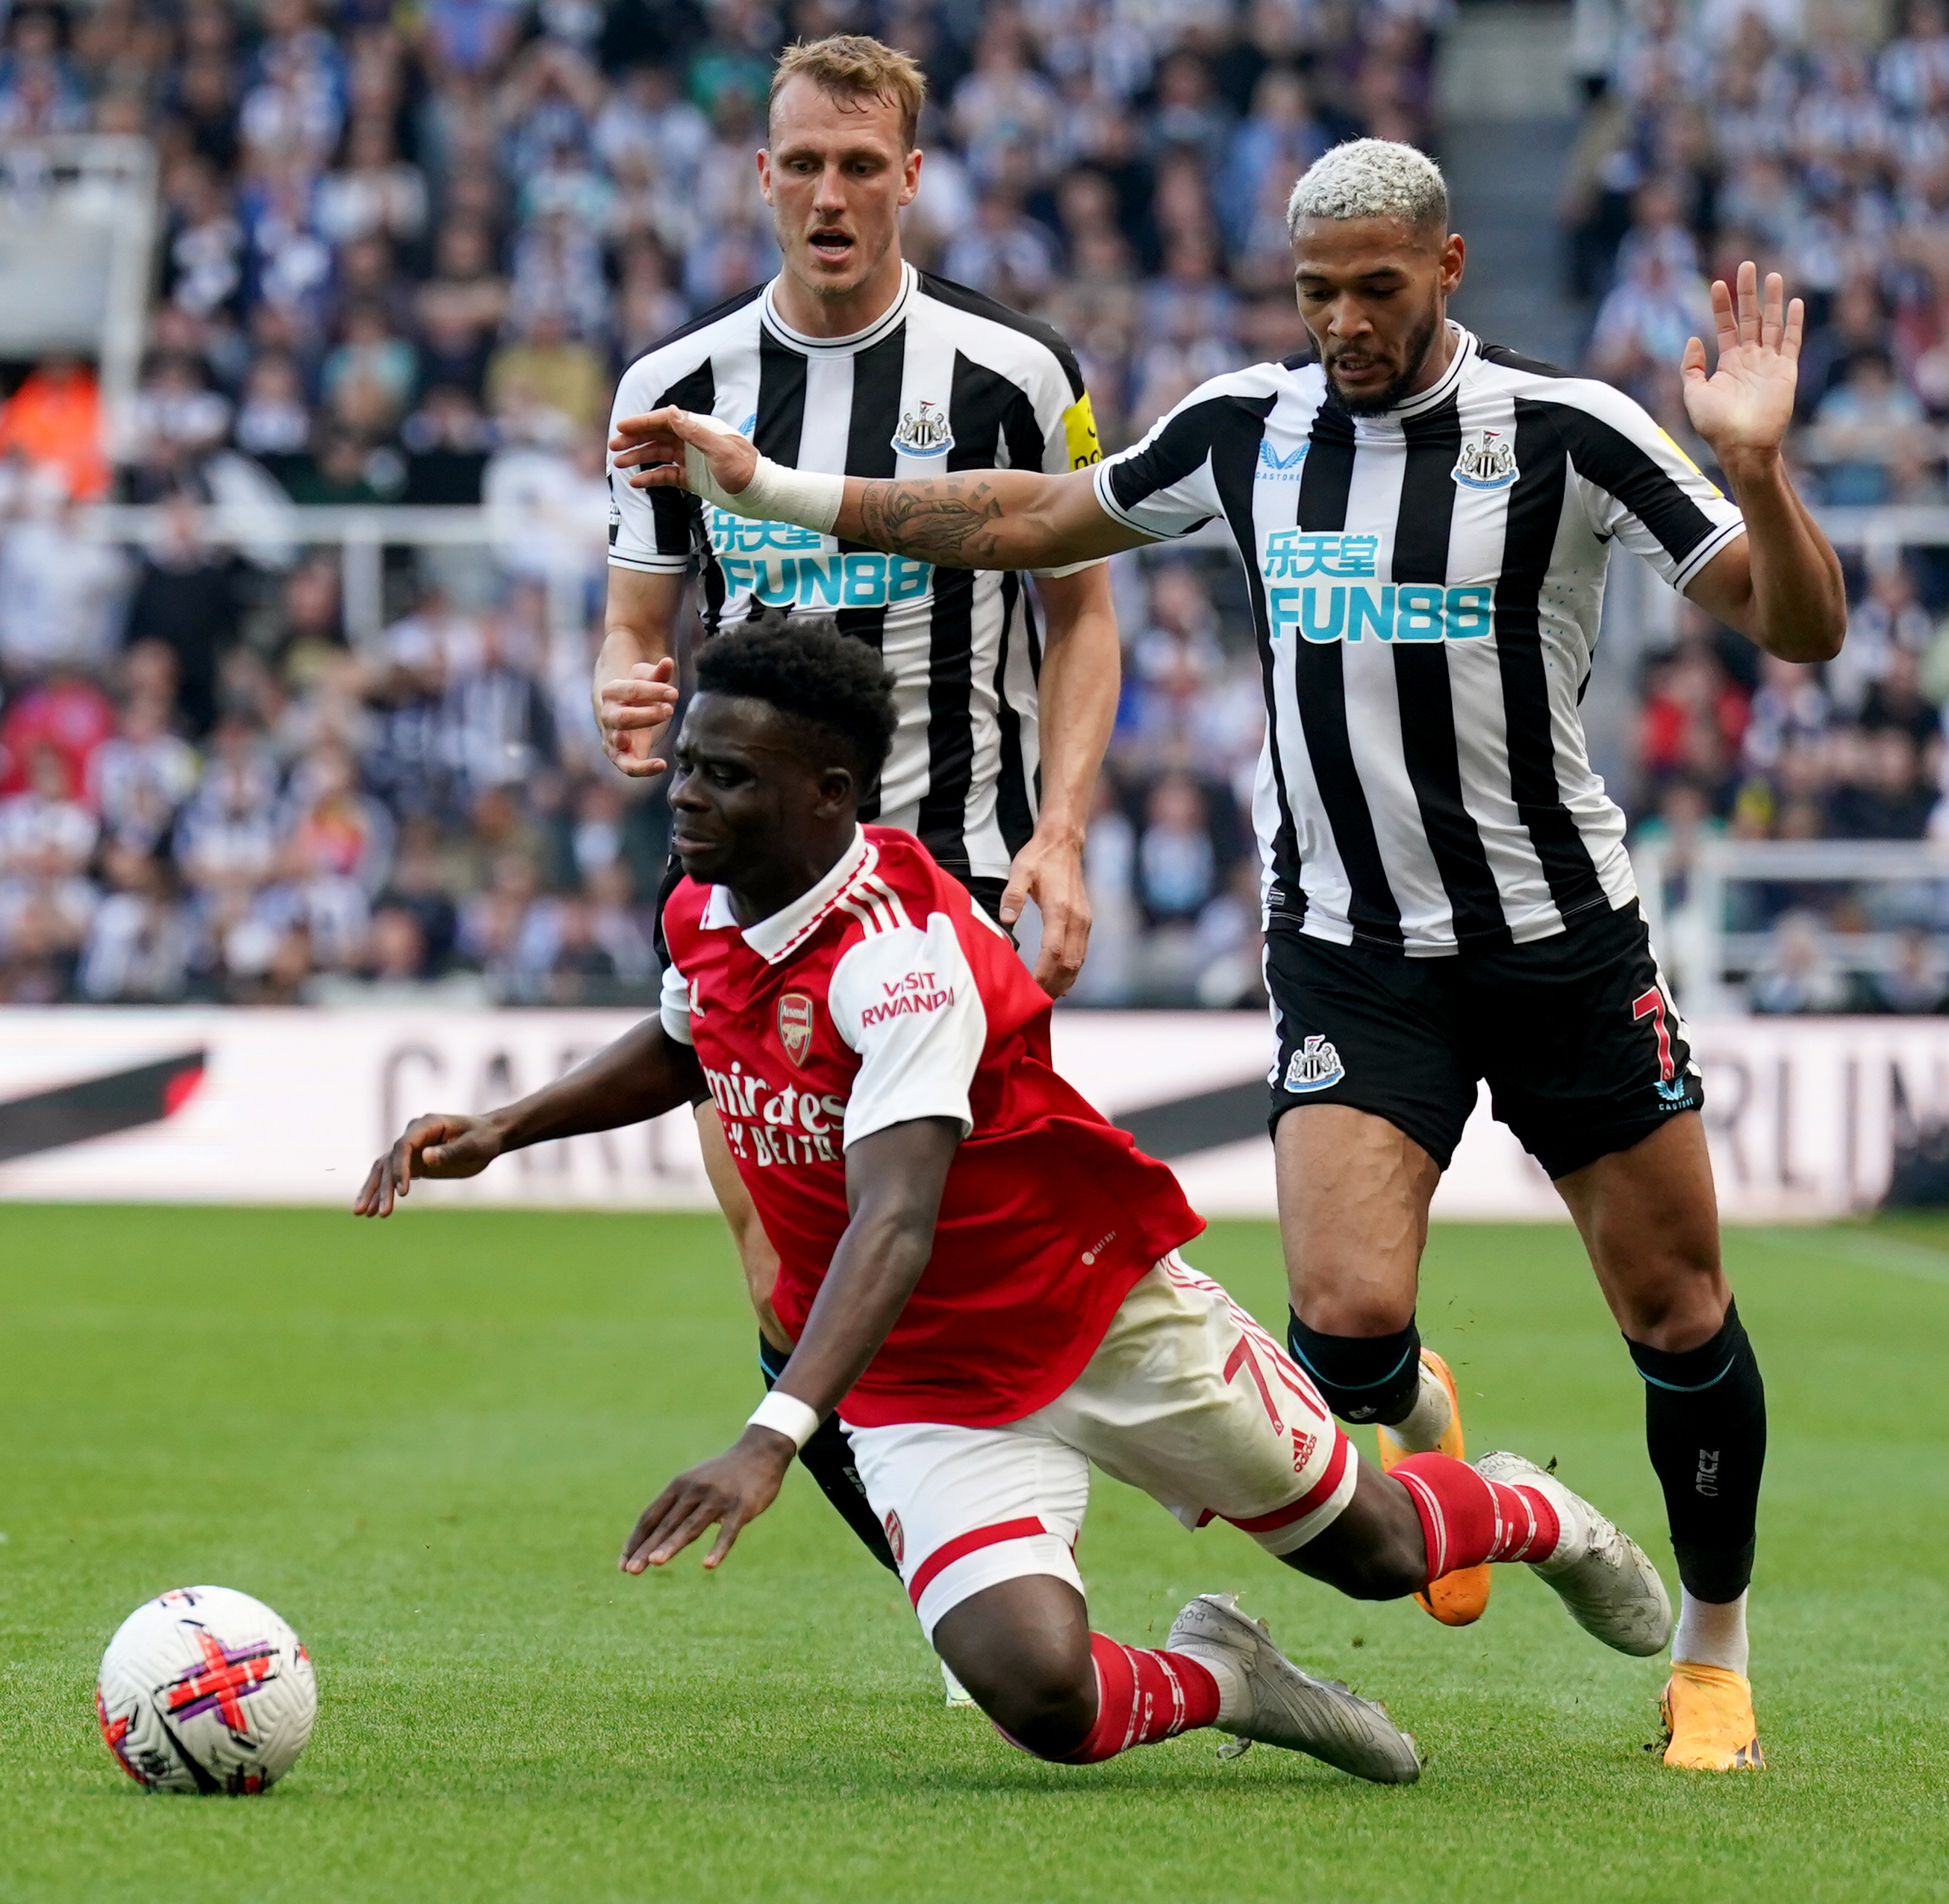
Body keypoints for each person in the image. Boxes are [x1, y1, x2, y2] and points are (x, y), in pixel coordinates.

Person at [616, 139, 1849, 1770]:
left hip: (1560, 940)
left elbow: (1799, 625)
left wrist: (1759, 470)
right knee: (1337, 1328)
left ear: (1450, 267)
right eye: (1316, 292)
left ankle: (1712, 1654)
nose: (1343, 323)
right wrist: (763, 487)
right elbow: (1027, 516)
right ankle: (1423, 1424)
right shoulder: (1243, 428)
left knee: (1678, 1309)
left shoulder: (1569, 432)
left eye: (1377, 291)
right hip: (1350, 945)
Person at [353, 625, 1669, 1782]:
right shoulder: (711, 902)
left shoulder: (900, 961)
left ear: (831, 795)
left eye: (726, 776)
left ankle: (1532, 1511)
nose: (685, 796)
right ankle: (1239, 1681)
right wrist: (506, 1128)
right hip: (921, 1382)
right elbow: (690, 1033)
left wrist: (768, 1436)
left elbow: (896, 1219)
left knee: (1381, 1554)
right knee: (1041, 1700)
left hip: (1090, 1312)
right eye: (690, 763)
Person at [593, 36, 1124, 1602]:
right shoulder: (673, 390)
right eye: (803, 164)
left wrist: (1066, 830)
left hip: (949, 877)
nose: (831, 192)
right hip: (754, 889)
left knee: (959, 1256)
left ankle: (1019, 1567)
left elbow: (1085, 621)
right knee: (777, 1269)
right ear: (762, 178)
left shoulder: (1014, 376)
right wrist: (622, 692)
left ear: (910, 174)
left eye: (860, 164)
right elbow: (634, 627)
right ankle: (974, 1584)